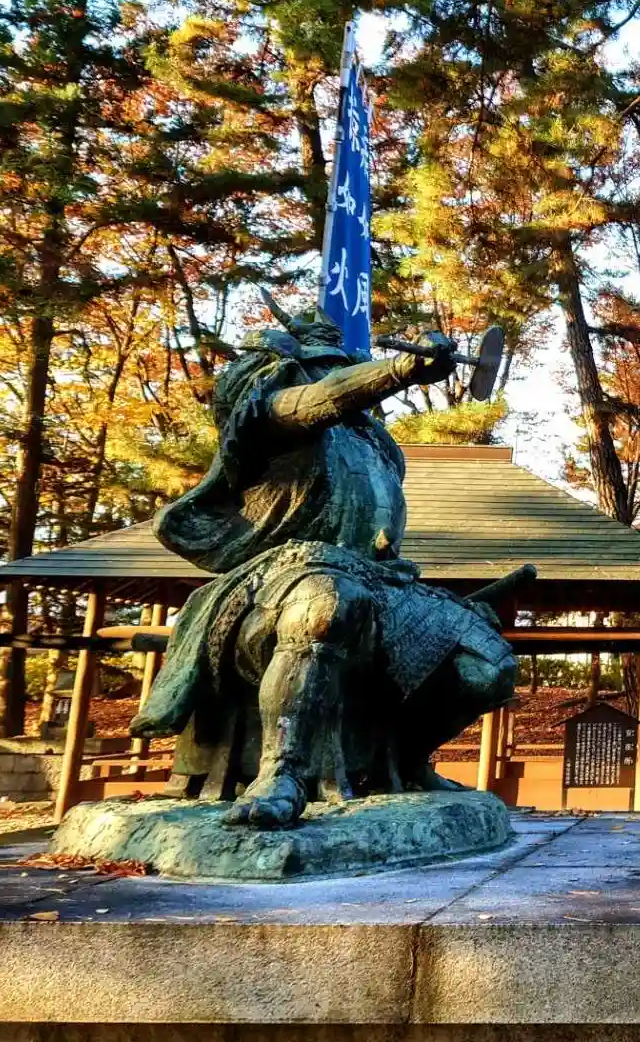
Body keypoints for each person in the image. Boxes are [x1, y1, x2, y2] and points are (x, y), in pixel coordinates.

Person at [132, 301, 528, 828]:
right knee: (326, 607)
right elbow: (321, 401)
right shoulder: (269, 415)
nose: (341, 376)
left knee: (489, 666)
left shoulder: (373, 444)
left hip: (379, 575)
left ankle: (408, 762)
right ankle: (281, 771)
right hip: (286, 569)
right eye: (328, 367)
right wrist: (401, 368)